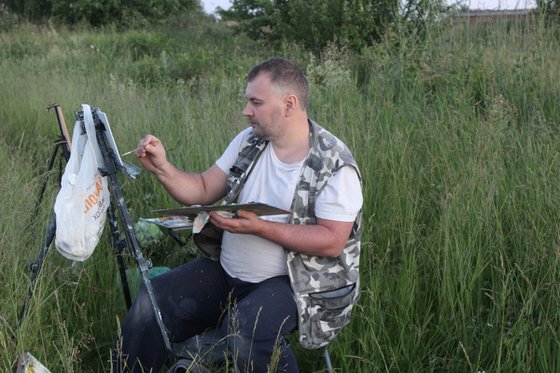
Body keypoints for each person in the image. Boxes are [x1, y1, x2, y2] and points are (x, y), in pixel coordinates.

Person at [116, 57, 363, 372]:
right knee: (153, 299)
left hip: (294, 285)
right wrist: (163, 168)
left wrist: (259, 228)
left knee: (246, 329)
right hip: (227, 272)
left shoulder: (334, 164)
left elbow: (332, 241)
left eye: (256, 102)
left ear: (289, 104)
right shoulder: (250, 141)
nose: (247, 110)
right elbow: (204, 188)